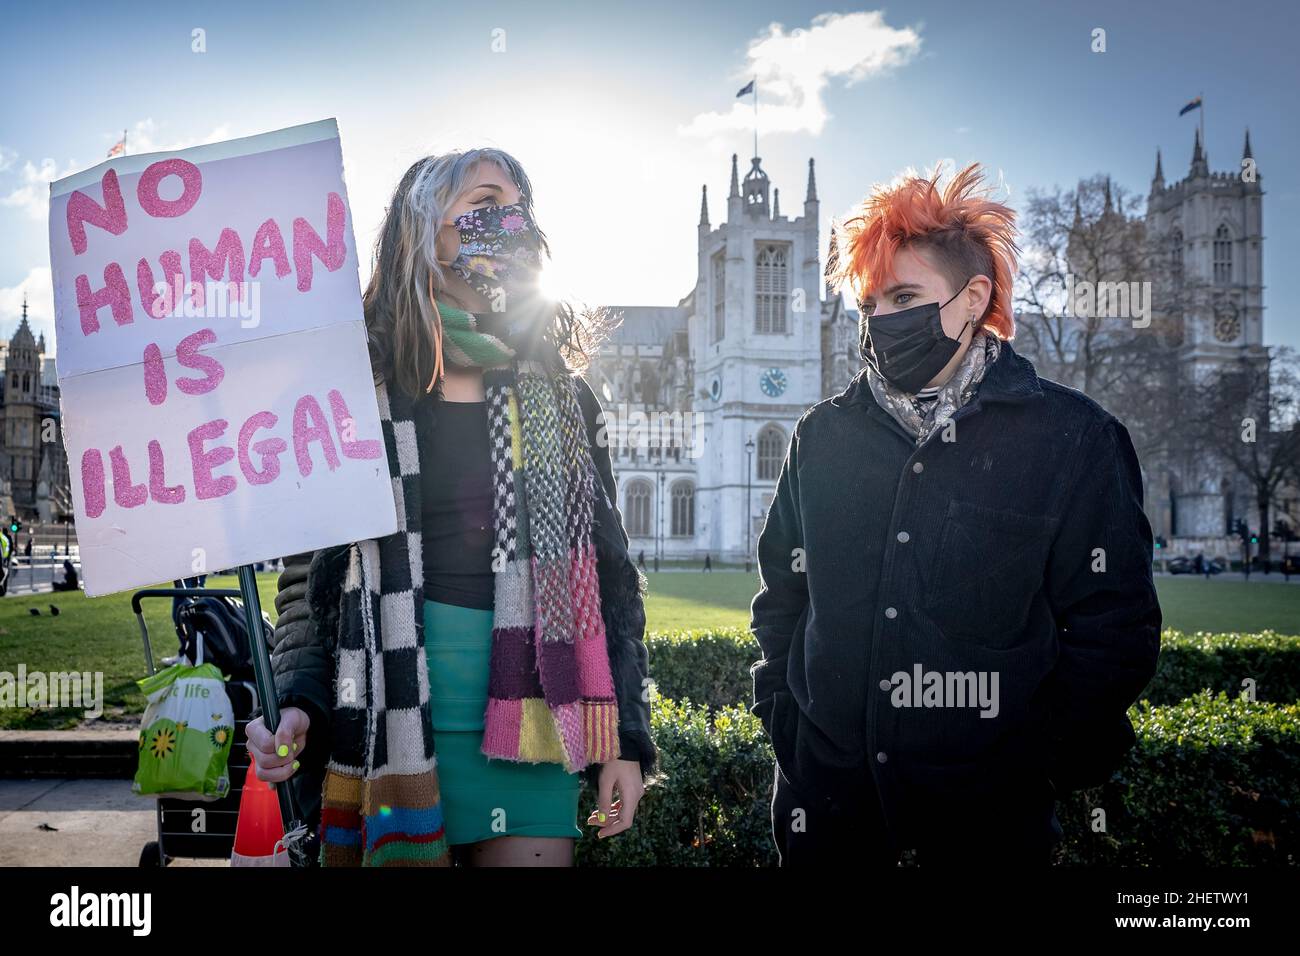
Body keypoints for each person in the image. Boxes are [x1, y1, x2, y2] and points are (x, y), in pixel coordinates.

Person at [247, 149, 657, 867]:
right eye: (483, 202)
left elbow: (611, 580)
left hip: (529, 722)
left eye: (518, 206)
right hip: (384, 713)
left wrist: (625, 738)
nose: (508, 220)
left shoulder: (565, 398)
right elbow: (310, 579)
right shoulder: (357, 390)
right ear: (420, 232)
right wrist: (298, 699)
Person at [750, 163, 1162, 868]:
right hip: (826, 826)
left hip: (987, 837)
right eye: (870, 303)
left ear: (974, 300)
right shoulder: (820, 437)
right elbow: (782, 604)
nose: (882, 322)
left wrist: (1032, 769)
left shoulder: (1074, 439)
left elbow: (1114, 631)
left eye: (905, 296)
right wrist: (790, 728)